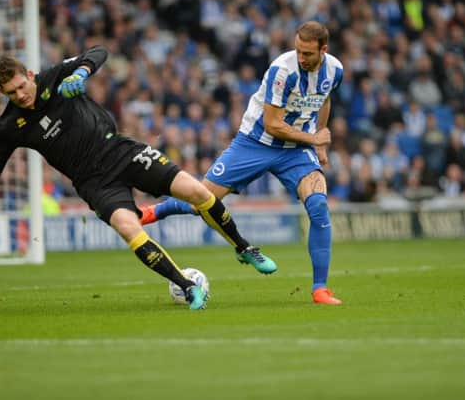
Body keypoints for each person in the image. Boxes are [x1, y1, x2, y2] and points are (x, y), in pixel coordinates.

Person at [0, 45, 277, 310]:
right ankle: (187, 287)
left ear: (30, 75)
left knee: (197, 191)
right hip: (93, 182)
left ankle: (244, 248)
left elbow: (98, 51)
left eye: (22, 86)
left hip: (121, 152)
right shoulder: (10, 126)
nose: (20, 95)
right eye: (11, 92)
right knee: (127, 227)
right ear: (0, 92)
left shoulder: (53, 78)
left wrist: (81, 71)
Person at [140, 21, 344, 305]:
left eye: (308, 53)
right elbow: (273, 125)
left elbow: (324, 100)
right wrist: (314, 138)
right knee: (204, 202)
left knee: (319, 205)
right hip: (255, 143)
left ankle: (320, 289)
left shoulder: (335, 69)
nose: (301, 57)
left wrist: (320, 140)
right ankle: (159, 210)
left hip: (295, 150)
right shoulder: (282, 71)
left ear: (324, 50)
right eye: (298, 50)